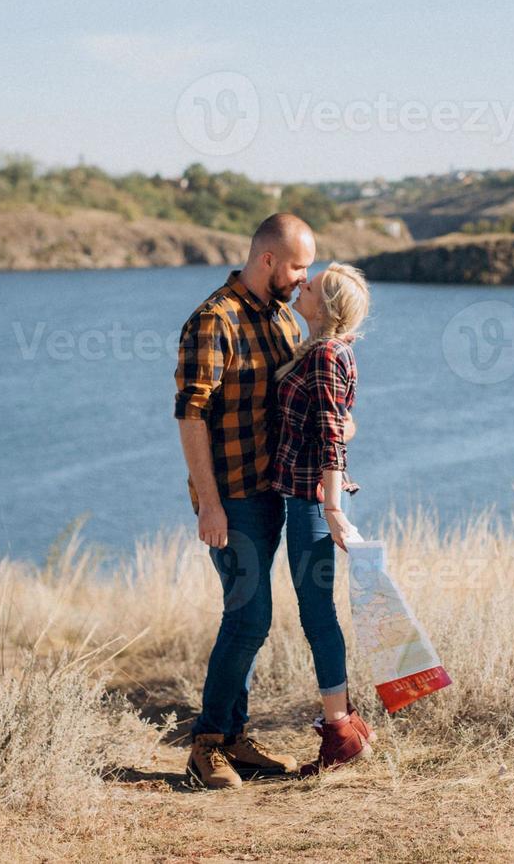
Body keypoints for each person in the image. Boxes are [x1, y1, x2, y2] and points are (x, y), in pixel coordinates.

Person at [174, 212, 340, 789]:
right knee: (249, 616)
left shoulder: (285, 324)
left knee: (252, 619)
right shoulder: (212, 321)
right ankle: (207, 745)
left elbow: (304, 408)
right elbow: (190, 415)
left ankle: (236, 739)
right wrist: (210, 503)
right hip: (234, 497)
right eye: (298, 266)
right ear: (267, 259)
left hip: (281, 495)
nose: (304, 278)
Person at [268, 261, 377, 775]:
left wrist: (332, 509)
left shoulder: (327, 354)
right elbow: (342, 422)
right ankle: (348, 723)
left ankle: (338, 734)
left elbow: (334, 433)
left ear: (324, 307)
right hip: (314, 498)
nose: (301, 284)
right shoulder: (322, 351)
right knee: (320, 613)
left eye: (309, 286)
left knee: (317, 615)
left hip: (315, 503)